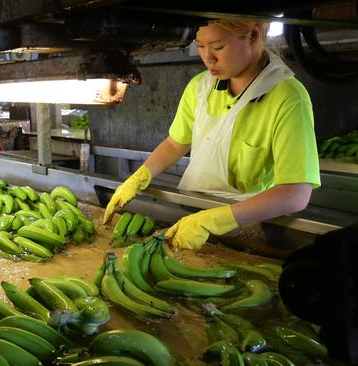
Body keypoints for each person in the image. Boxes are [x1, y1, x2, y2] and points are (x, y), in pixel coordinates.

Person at [103, 18, 320, 250]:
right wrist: (140, 177)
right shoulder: (200, 87)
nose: (208, 58)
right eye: (200, 46)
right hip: (189, 216)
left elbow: (296, 193)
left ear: (254, 35)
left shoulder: (287, 98)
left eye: (218, 47)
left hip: (244, 226)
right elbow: (176, 144)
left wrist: (215, 220)